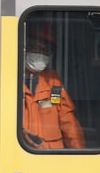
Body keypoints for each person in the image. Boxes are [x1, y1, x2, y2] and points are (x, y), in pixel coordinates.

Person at [21, 22, 85, 150]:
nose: (40, 53)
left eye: (45, 50)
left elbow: (66, 117)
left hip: (50, 157)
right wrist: (17, 133)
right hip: (20, 153)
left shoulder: (52, 80)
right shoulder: (7, 79)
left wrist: (80, 153)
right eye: (35, 47)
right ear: (24, 47)